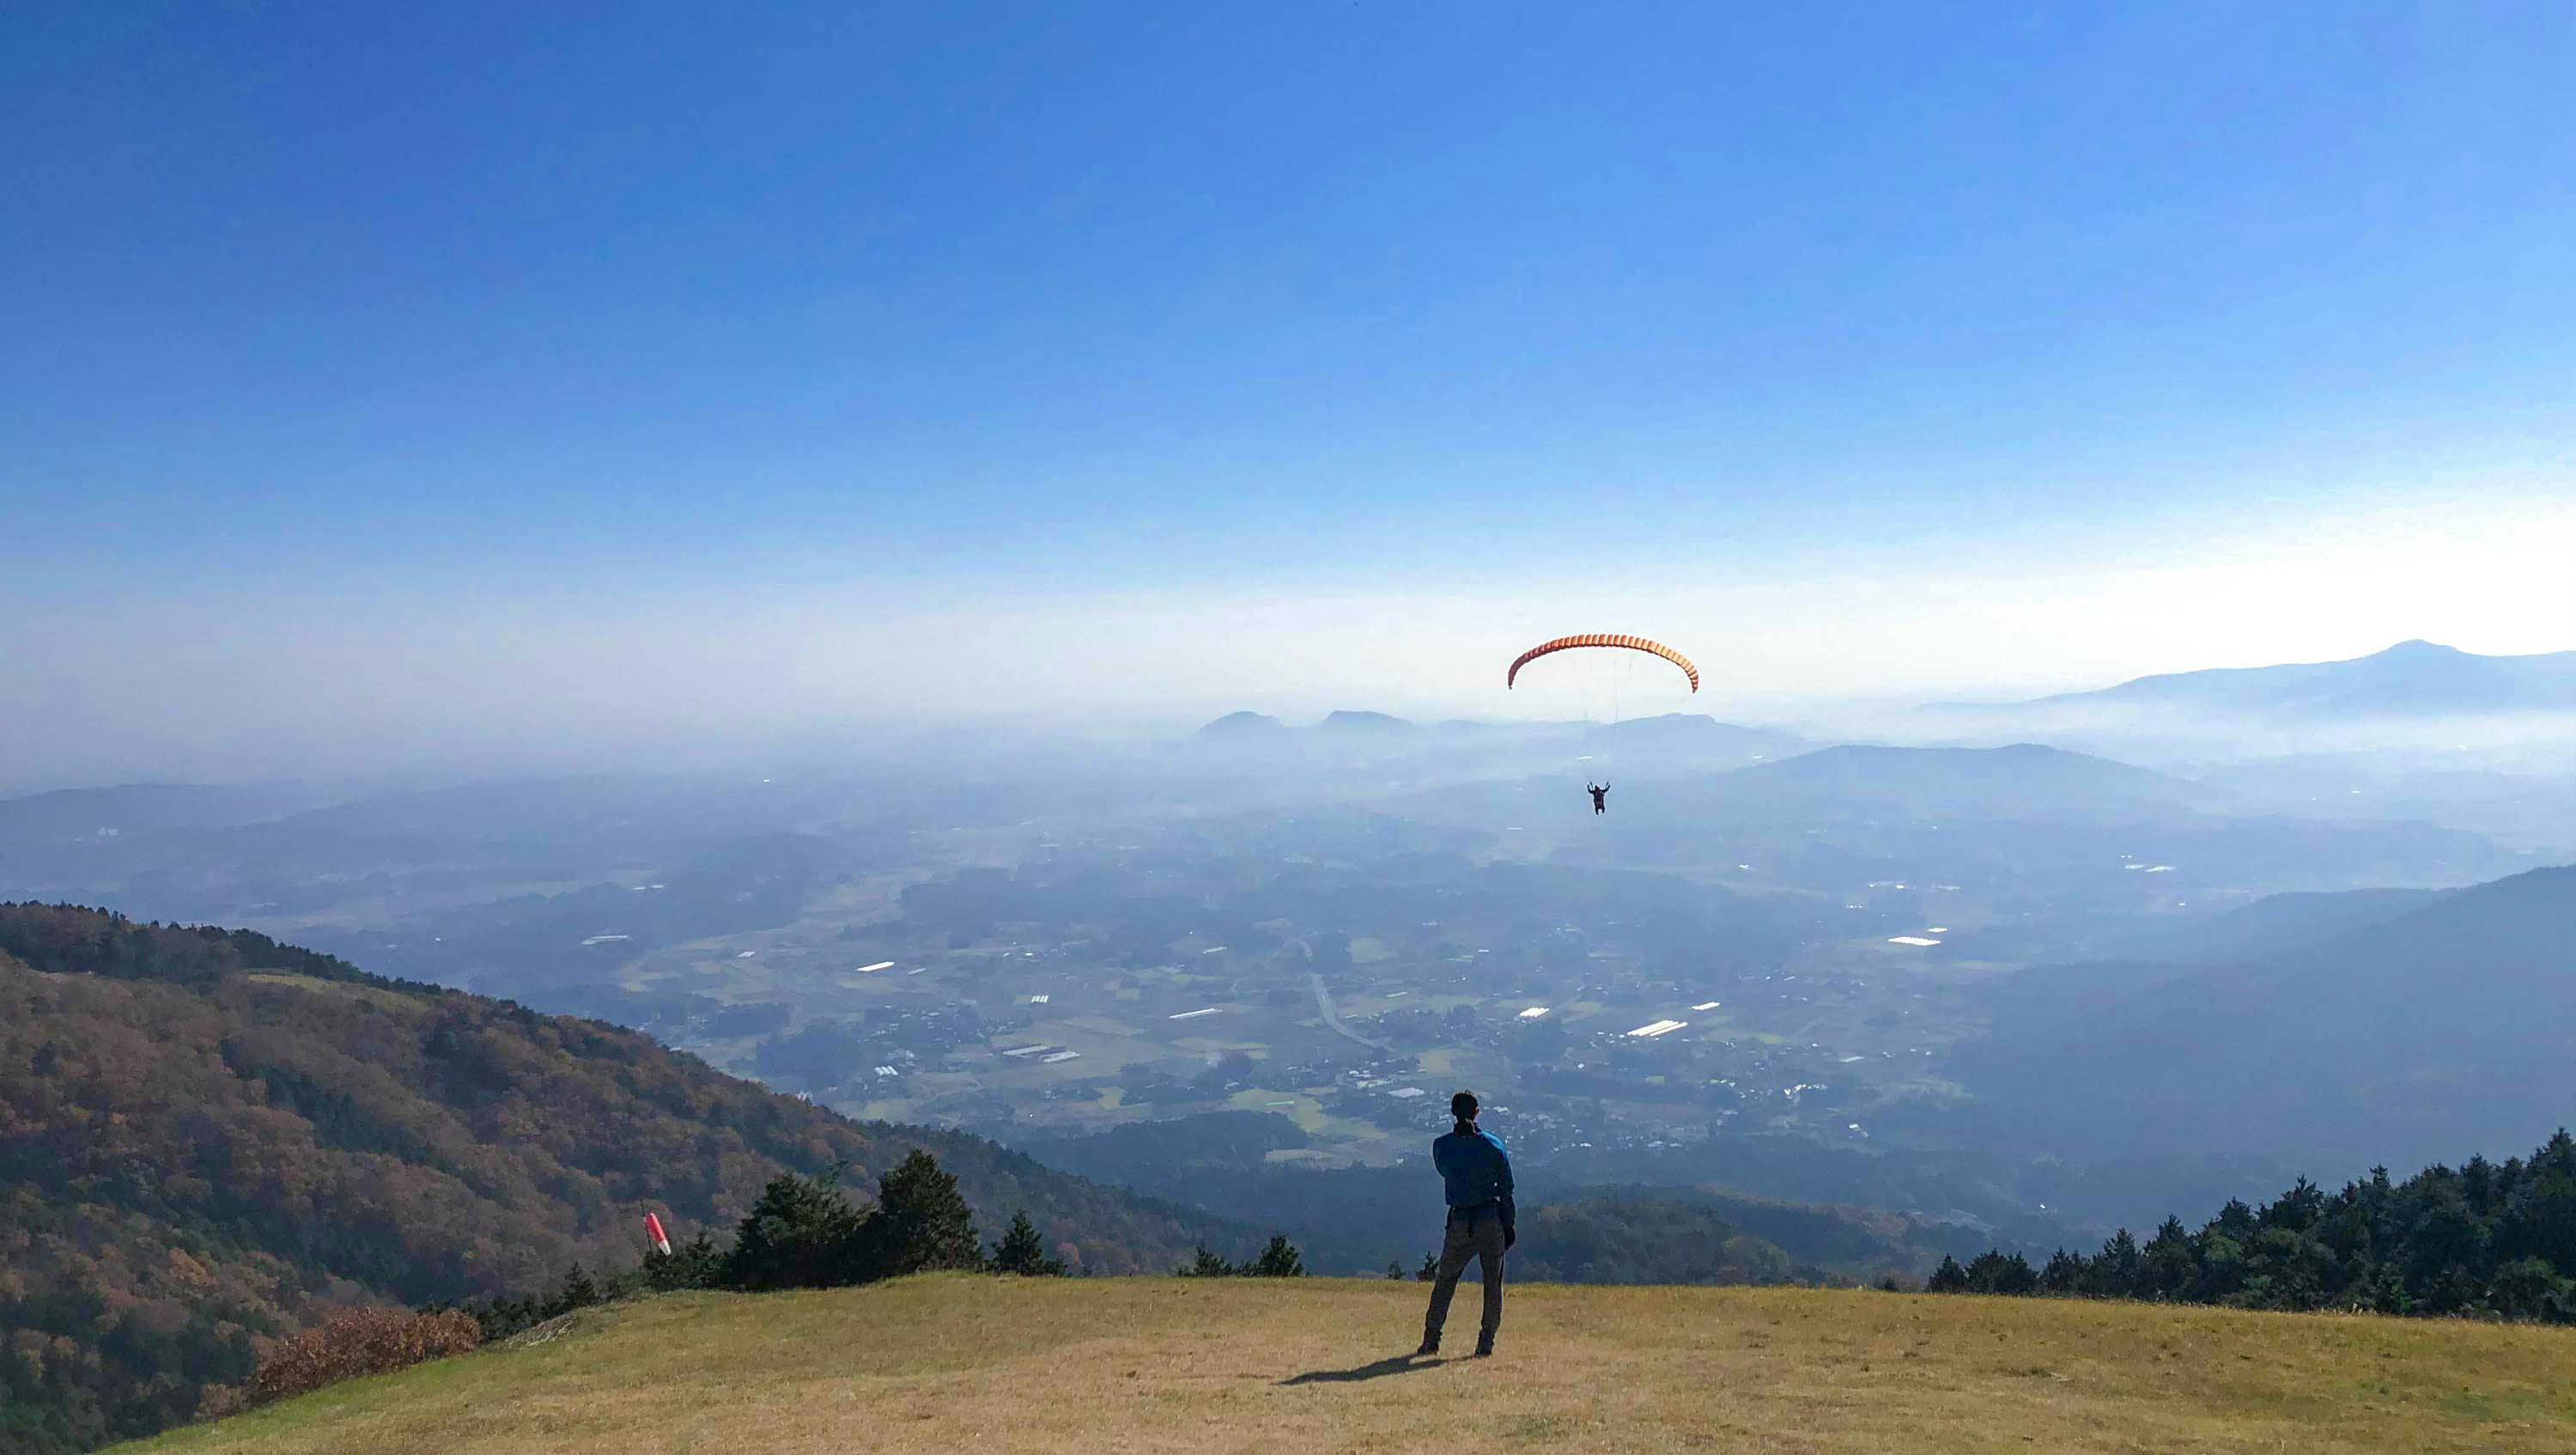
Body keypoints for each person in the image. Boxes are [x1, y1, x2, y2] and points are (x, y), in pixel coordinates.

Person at [1419, 1090, 1515, 1358]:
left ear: (1452, 1112)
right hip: (1489, 1219)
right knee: (1492, 1284)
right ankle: (1486, 1342)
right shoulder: (1493, 1146)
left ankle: (1431, 1338)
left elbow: (1444, 1170)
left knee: (1446, 1280)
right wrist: (1509, 1225)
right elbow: (1506, 1190)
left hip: (1459, 1220)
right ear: (1477, 1112)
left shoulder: (1442, 1146)